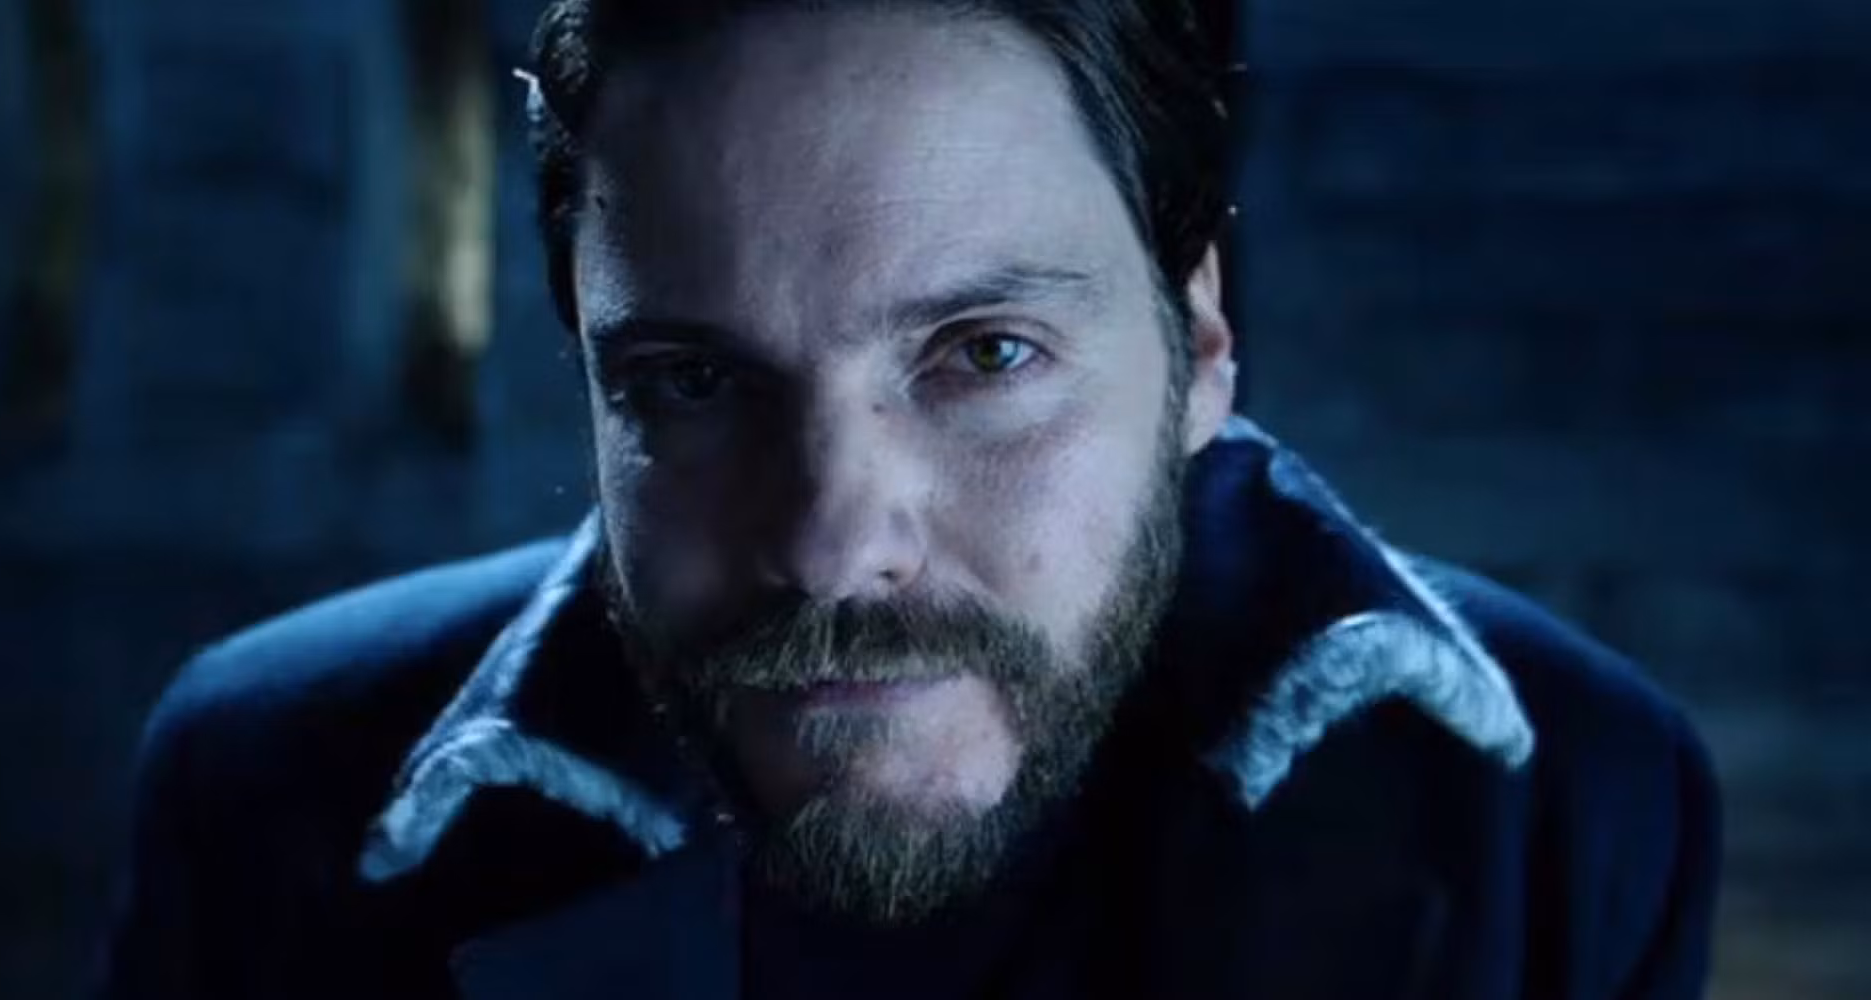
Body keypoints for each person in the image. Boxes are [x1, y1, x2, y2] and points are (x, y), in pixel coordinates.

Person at [97, 1, 1721, 997]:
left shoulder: (1549, 805)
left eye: (983, 354)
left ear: (1201, 345)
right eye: (693, 381)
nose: (831, 544)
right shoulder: (275, 788)